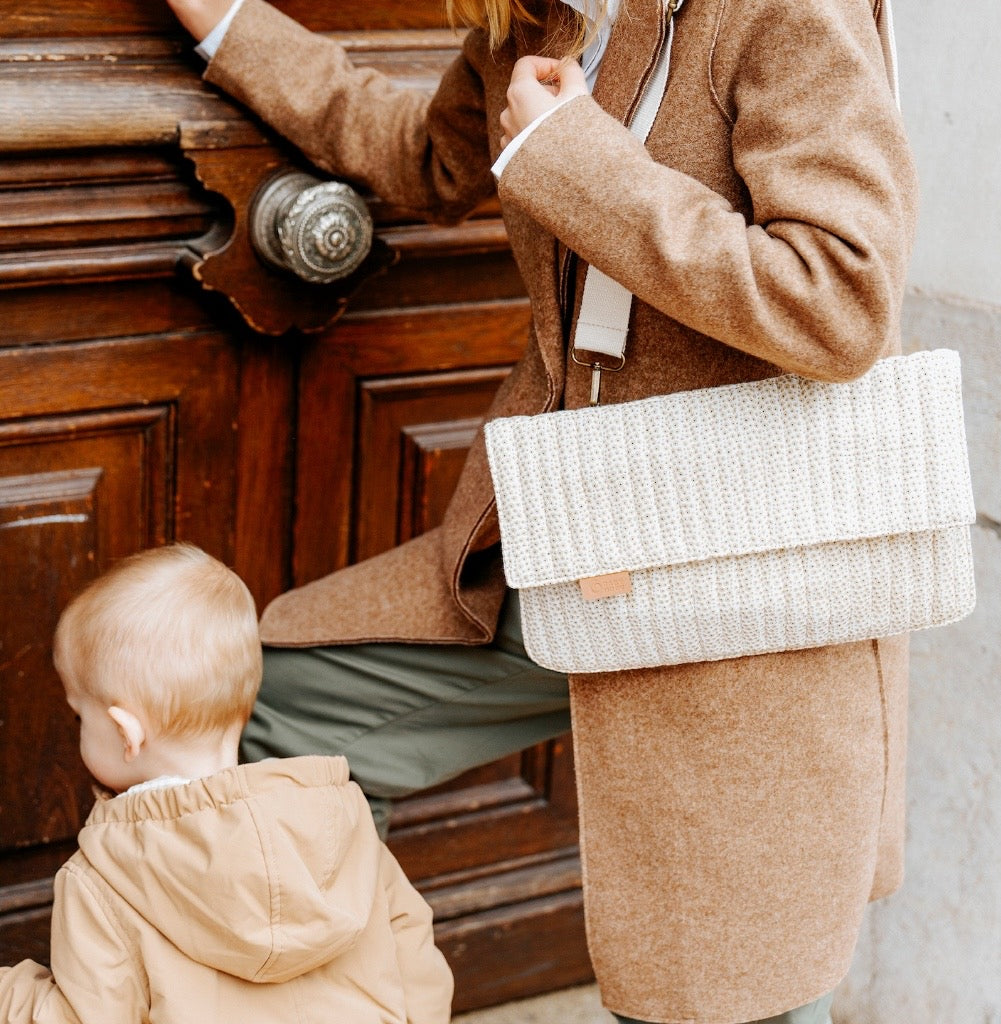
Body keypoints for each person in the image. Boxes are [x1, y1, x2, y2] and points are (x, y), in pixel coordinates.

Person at [160, 0, 918, 1021]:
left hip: (738, 592)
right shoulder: (538, 18)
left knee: (729, 987)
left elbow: (839, 300)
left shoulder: (776, 12)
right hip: (568, 543)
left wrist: (577, 162)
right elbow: (422, 157)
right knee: (280, 711)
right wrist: (230, 22)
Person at [0, 544, 453, 1024]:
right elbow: (414, 954)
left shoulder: (105, 878)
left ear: (125, 733)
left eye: (79, 717)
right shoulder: (342, 820)